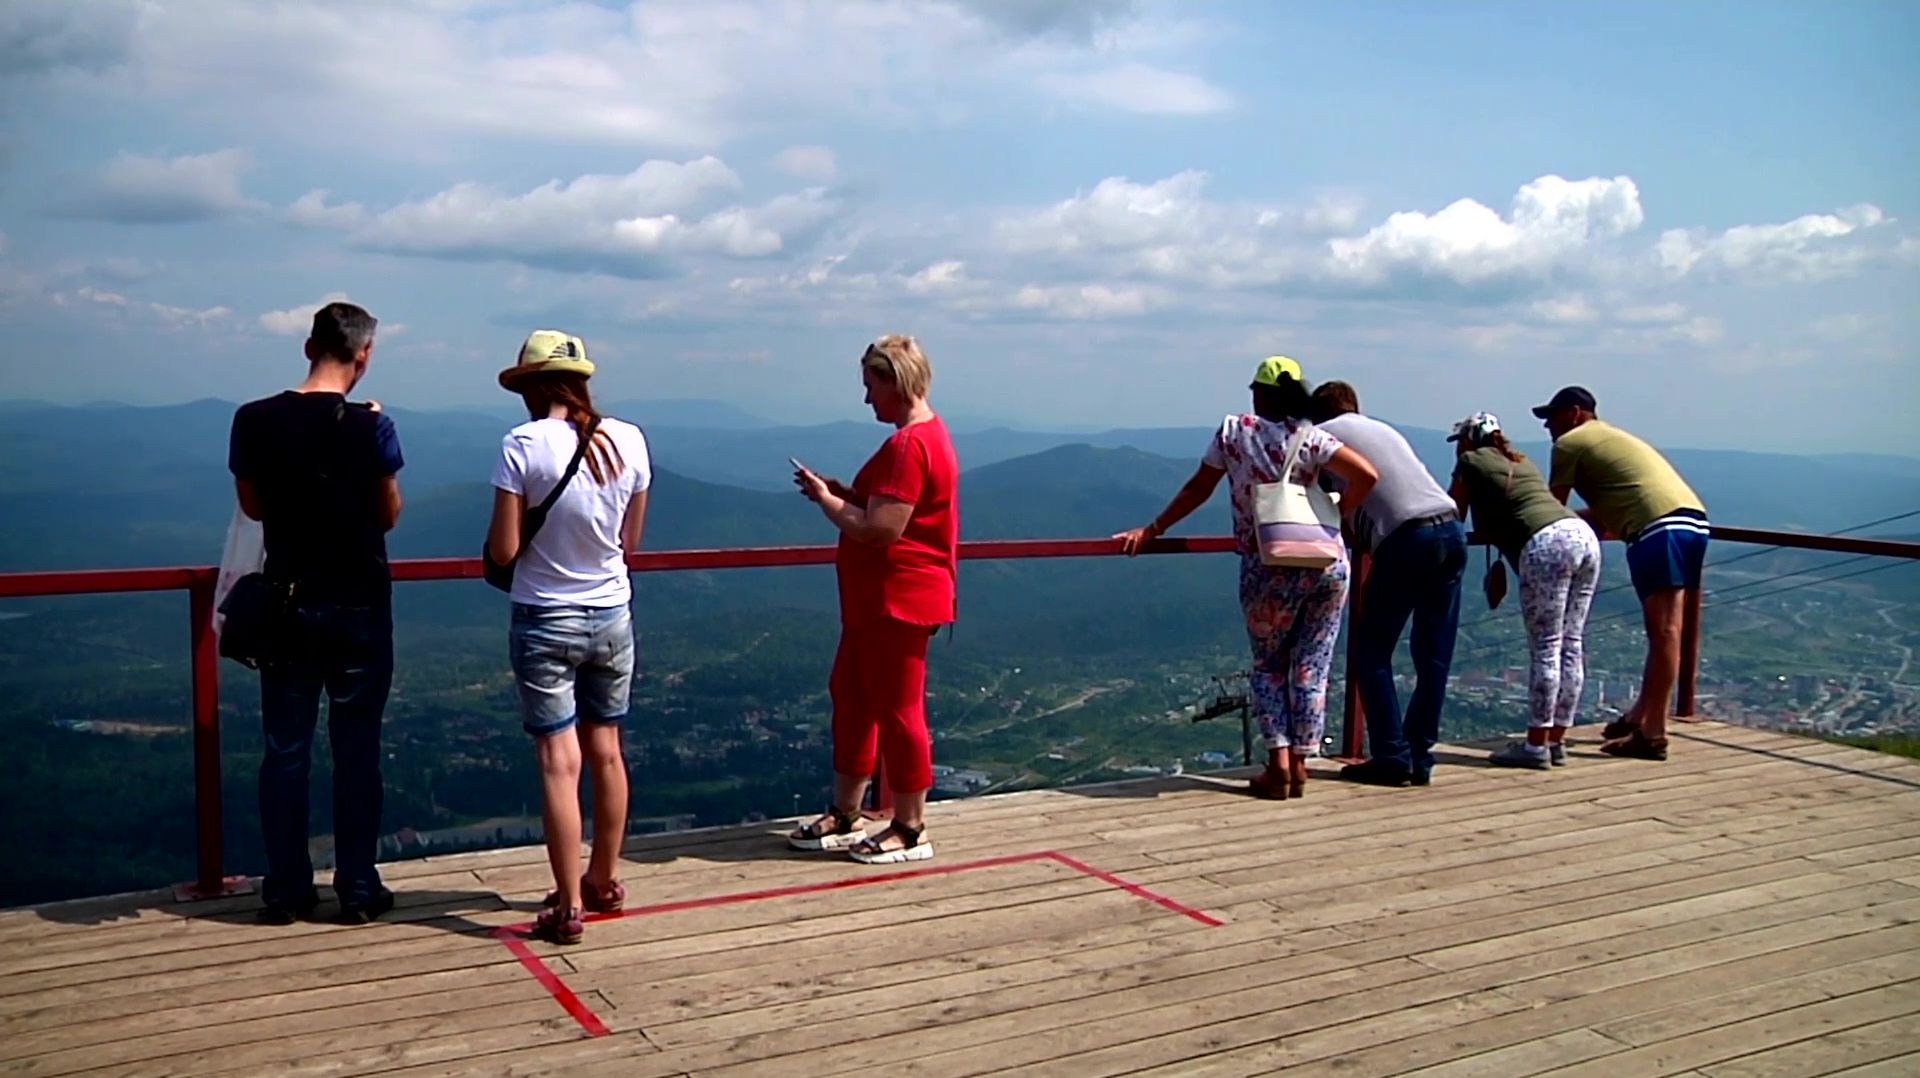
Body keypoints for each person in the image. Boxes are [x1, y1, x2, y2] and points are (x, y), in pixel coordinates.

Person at [1117, 357, 1378, 800]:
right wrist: (1337, 511)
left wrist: (1154, 528)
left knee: (1269, 666)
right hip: (1327, 564)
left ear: (1261, 393)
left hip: (1268, 565)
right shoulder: (1313, 437)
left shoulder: (1234, 431)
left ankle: (1277, 764)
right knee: (1312, 667)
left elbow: (1199, 487)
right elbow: (1367, 475)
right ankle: (1301, 761)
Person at [228, 301, 404, 925]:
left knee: (285, 750)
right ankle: (357, 887)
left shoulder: (252, 420)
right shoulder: (371, 427)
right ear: (365, 355)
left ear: (308, 347)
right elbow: (387, 515)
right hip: (358, 602)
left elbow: (253, 508)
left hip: (287, 601)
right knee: (357, 749)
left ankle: (285, 889)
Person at [486, 330, 651, 945]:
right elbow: (629, 545)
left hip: (544, 615)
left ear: (531, 386)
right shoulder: (629, 439)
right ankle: (604, 878)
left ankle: (568, 904)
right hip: (612, 613)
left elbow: (504, 549)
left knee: (560, 761)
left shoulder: (522, 445)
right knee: (607, 749)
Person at [788, 336, 959, 864]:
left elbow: (882, 529)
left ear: (894, 382)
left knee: (900, 710)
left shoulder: (909, 446)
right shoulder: (928, 437)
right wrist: (852, 494)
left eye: (871, 387)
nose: (867, 401)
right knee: (853, 694)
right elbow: (894, 508)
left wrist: (827, 501)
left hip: (897, 599)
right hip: (879, 601)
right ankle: (847, 811)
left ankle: (909, 826)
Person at [1536, 386, 1708, 762]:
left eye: (1554, 415)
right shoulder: (1612, 438)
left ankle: (1653, 734)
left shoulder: (1570, 444)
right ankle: (1639, 718)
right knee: (1665, 633)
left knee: (1665, 633)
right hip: (1691, 522)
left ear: (1577, 413)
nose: (1549, 425)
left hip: (1657, 530)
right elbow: (1602, 516)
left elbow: (1551, 512)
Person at [1310, 382, 1467, 789]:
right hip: (1451, 529)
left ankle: (1391, 757)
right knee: (1433, 654)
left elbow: (1323, 502)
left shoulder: (1325, 438)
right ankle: (1419, 755)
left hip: (1406, 538)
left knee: (1371, 651)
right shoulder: (1381, 429)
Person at [1447, 412, 1602, 769]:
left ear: (1469, 439)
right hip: (1582, 536)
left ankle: (1535, 747)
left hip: (1546, 545)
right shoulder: (1521, 459)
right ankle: (1557, 740)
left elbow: (1454, 511)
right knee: (1571, 643)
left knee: (1546, 647)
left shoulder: (1470, 461)